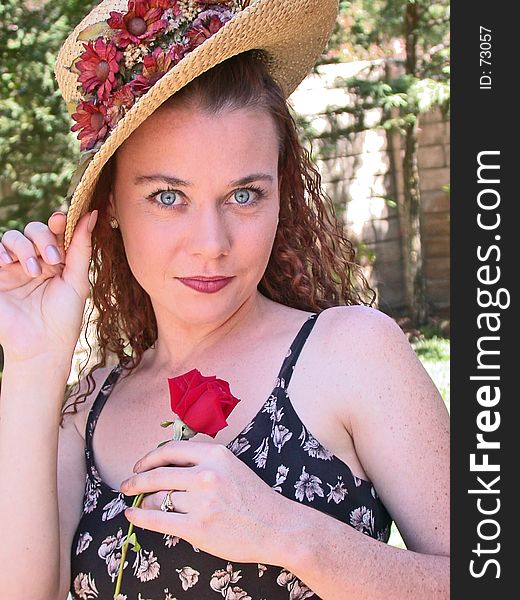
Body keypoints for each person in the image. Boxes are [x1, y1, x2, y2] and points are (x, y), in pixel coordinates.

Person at [0, 1, 449, 599]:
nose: (211, 245)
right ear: (109, 210)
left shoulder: (351, 353)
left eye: (243, 196)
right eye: (167, 196)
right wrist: (33, 365)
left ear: (280, 194)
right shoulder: (86, 412)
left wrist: (291, 535)